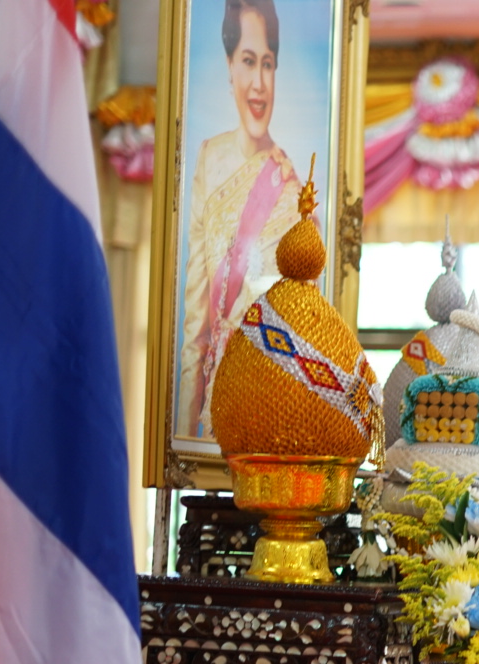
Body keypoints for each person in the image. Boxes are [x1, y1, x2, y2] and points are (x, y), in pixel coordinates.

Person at [177, 0, 303, 438]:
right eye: (248, 61)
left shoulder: (291, 193)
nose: (258, 83)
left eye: (268, 64)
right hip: (211, 416)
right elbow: (195, 327)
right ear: (229, 66)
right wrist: (184, 443)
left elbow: (300, 339)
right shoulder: (209, 160)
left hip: (267, 416)